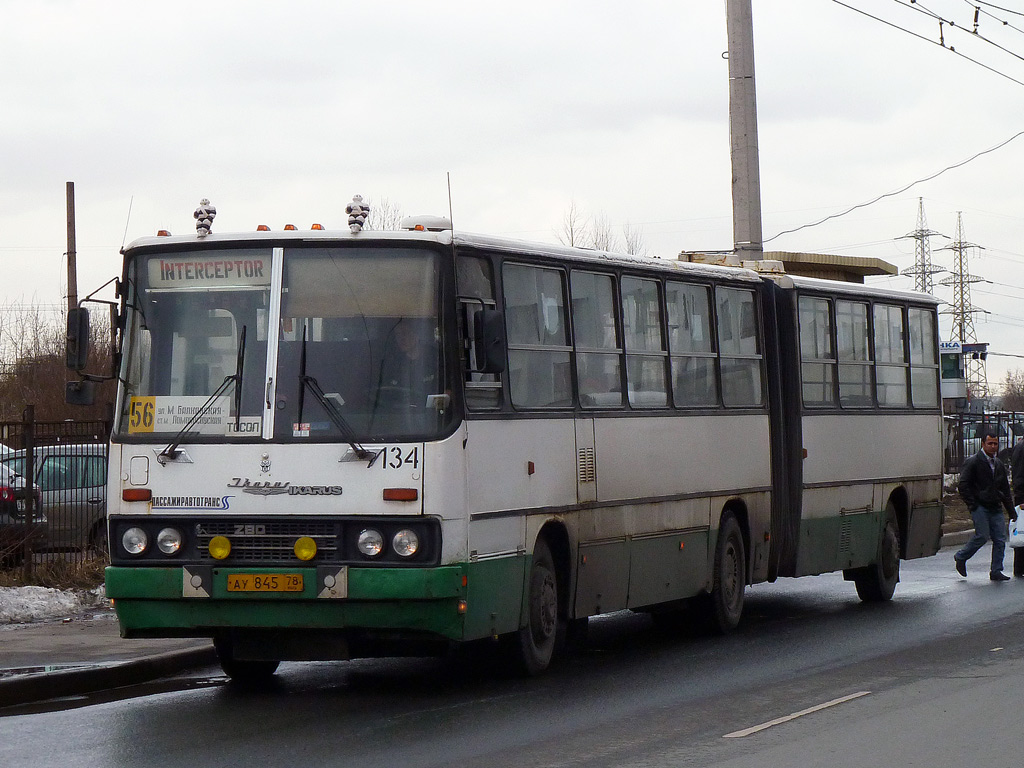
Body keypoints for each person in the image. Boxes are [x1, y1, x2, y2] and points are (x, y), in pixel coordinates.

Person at [955, 428, 1017, 580]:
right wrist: (972, 504)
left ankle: (996, 570)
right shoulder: (974, 462)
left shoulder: (998, 464)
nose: (993, 447)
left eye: (995, 444)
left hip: (995, 506)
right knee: (982, 535)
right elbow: (963, 485)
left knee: (1000, 539)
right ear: (983, 444)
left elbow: (1004, 489)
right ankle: (961, 557)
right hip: (980, 506)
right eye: (990, 443)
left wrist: (1011, 511)